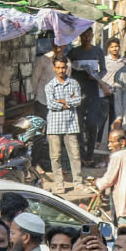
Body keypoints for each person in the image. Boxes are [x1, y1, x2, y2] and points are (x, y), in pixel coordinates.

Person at [42, 54, 84, 185]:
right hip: (54, 126)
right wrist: (69, 102)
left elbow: (78, 101)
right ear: (54, 68)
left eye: (63, 67)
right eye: (58, 68)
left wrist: (63, 102)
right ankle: (59, 183)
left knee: (75, 156)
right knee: (55, 157)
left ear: (67, 68)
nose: (61, 70)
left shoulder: (74, 83)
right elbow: (51, 104)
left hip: (71, 125)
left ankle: (78, 182)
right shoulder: (50, 86)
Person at [93, 125, 126, 224]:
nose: (109, 145)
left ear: (122, 142)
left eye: (112, 142)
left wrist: (96, 182)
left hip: (125, 204)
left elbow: (108, 180)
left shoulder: (117, 156)